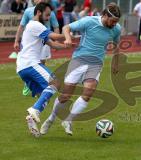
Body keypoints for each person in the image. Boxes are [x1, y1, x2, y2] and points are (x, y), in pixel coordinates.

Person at [40, 2, 121, 136]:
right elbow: (66, 27)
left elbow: (117, 45)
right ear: (105, 15)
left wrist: (116, 62)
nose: (114, 25)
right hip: (79, 61)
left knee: (88, 93)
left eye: (116, 22)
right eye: (112, 21)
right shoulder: (89, 22)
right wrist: (66, 38)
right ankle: (50, 119)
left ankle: (68, 120)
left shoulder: (116, 28)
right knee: (66, 96)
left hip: (96, 64)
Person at [16, 2, 69, 137]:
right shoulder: (35, 25)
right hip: (30, 64)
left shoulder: (37, 27)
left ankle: (31, 120)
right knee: (55, 83)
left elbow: (52, 43)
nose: (48, 18)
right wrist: (67, 34)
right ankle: (35, 110)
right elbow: (55, 36)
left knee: (44, 96)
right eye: (46, 15)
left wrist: (66, 45)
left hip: (22, 67)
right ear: (38, 12)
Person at [14, 0, 60, 96]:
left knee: (41, 63)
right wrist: (16, 40)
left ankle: (38, 86)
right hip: (33, 41)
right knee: (36, 65)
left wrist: (57, 42)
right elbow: (21, 26)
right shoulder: (28, 11)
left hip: (45, 40)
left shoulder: (49, 11)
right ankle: (32, 83)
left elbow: (55, 26)